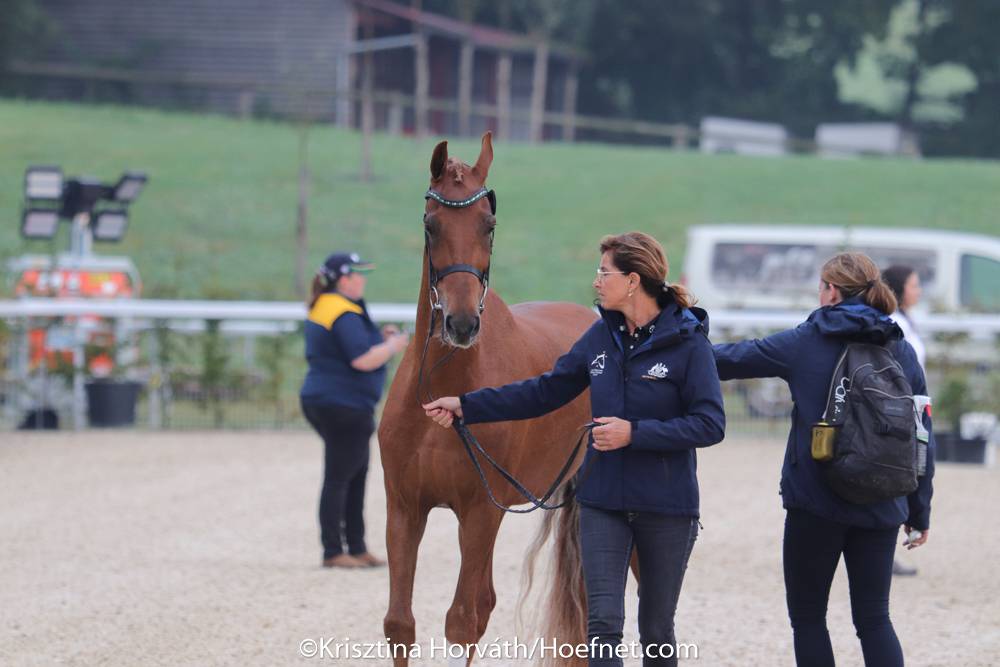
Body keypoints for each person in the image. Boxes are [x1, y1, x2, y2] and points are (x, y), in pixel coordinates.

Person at [423, 232, 725, 667]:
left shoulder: (689, 343)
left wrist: (634, 433)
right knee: (601, 626)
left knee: (657, 630)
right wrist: (467, 406)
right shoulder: (600, 337)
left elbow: (710, 423)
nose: (596, 281)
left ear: (634, 281)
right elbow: (545, 391)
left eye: (605, 273)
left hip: (666, 506)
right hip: (602, 501)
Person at [713, 252, 934, 667]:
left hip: (816, 501)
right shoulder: (900, 347)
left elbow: (729, 359)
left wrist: (673, 338)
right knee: (874, 618)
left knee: (809, 619)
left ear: (830, 291)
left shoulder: (805, 341)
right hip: (884, 502)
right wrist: (919, 508)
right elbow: (922, 436)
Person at [300, 252, 409, 569]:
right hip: (344, 404)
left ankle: (356, 546)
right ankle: (334, 550)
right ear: (343, 279)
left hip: (327, 400)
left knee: (354, 472)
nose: (362, 280)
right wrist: (393, 346)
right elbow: (362, 359)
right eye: (357, 274)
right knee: (341, 476)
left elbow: (355, 347)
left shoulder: (329, 307)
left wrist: (381, 339)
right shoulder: (344, 312)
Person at [882, 264, 927, 577]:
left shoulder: (907, 320)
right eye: (914, 285)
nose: (919, 290)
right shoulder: (894, 323)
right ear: (899, 289)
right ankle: (884, 550)